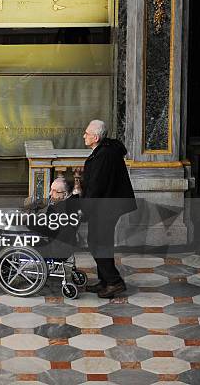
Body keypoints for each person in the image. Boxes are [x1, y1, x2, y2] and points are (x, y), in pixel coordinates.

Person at [82, 119, 137, 299]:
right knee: (101, 241)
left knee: (97, 241)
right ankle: (105, 280)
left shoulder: (104, 155)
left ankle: (114, 282)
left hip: (106, 206)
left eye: (87, 133)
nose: (84, 136)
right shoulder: (105, 150)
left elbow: (96, 186)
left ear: (96, 137)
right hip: (108, 204)